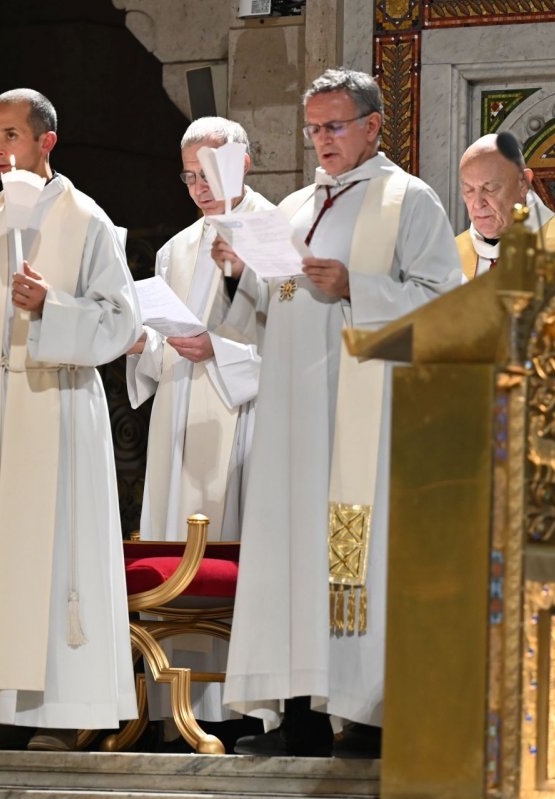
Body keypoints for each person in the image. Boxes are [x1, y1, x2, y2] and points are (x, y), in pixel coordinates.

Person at [217, 67, 460, 756]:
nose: (322, 139)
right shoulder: (292, 209)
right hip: (293, 419)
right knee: (293, 558)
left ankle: (368, 715)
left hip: (364, 421)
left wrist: (360, 286)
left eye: (335, 125)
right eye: (313, 128)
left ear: (373, 125)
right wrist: (242, 275)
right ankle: (298, 715)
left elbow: (448, 307)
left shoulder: (408, 201)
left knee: (354, 556)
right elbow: (266, 314)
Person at [0, 88, 140, 751]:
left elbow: (121, 321)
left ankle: (64, 710)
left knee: (57, 555)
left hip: (56, 404)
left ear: (46, 141)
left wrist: (52, 306)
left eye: (10, 135)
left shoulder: (87, 219)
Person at [125, 117, 270, 736]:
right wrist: (138, 343)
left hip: (247, 415)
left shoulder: (276, 230)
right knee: (172, 542)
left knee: (236, 549)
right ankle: (171, 710)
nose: (197, 187)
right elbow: (166, 348)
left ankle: (240, 712)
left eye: (207, 172)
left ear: (243, 163)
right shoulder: (177, 247)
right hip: (181, 421)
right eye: (188, 175)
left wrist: (222, 350)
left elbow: (292, 343)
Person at [457, 131, 555, 280]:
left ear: (523, 183)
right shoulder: (450, 255)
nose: (477, 204)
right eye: (468, 190)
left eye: (490, 188)